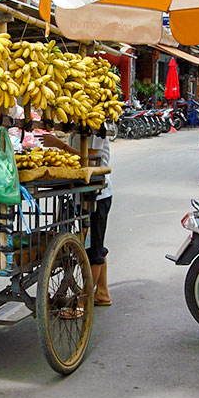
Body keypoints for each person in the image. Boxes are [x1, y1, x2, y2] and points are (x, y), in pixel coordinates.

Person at [70, 130, 113, 307]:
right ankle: (102, 293)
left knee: (93, 251)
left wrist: (60, 146)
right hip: (84, 193)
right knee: (96, 244)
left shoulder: (95, 127)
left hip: (97, 196)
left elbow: (92, 156)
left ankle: (82, 303)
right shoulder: (76, 127)